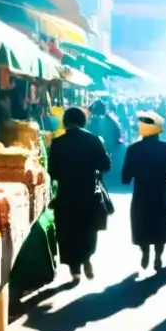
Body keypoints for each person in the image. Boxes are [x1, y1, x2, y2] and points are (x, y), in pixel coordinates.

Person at [48, 107, 111, 283]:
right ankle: (87, 259)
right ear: (83, 120)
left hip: (66, 194)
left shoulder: (58, 142)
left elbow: (52, 171)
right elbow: (105, 165)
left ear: (65, 121)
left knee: (68, 230)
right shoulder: (94, 140)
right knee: (88, 228)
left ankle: (74, 269)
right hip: (88, 192)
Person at [122, 111, 166, 271]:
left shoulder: (133, 149)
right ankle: (158, 256)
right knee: (161, 225)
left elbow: (125, 176)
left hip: (141, 193)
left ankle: (145, 251)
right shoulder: (165, 148)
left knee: (142, 224)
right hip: (161, 192)